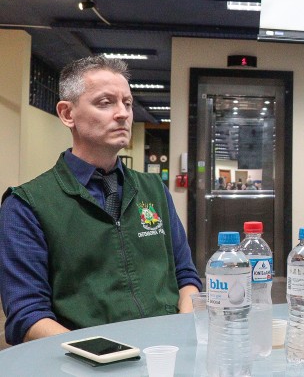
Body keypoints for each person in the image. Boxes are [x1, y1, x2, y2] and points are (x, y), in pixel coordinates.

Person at [0, 56, 201, 345]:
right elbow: (26, 314)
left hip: (166, 353)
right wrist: (104, 353)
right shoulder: (27, 205)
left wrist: (182, 330)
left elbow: (185, 275)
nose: (123, 114)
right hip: (84, 362)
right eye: (105, 102)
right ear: (68, 114)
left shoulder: (153, 189)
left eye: (127, 103)